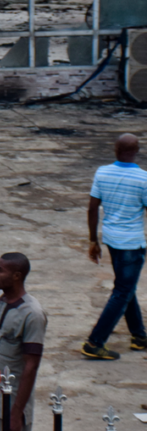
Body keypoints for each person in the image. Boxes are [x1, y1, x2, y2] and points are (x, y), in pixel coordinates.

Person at [82, 133, 147, 359]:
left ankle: (139, 336)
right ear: (137, 151)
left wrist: (93, 240)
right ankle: (95, 342)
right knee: (122, 291)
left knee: (125, 287)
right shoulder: (143, 179)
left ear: (115, 150)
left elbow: (92, 208)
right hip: (132, 243)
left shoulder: (102, 172)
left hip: (111, 240)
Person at [0, 253, 46, 431]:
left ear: (16, 276)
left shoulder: (32, 315)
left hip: (10, 399)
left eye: (0, 270)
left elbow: (31, 366)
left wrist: (16, 413)